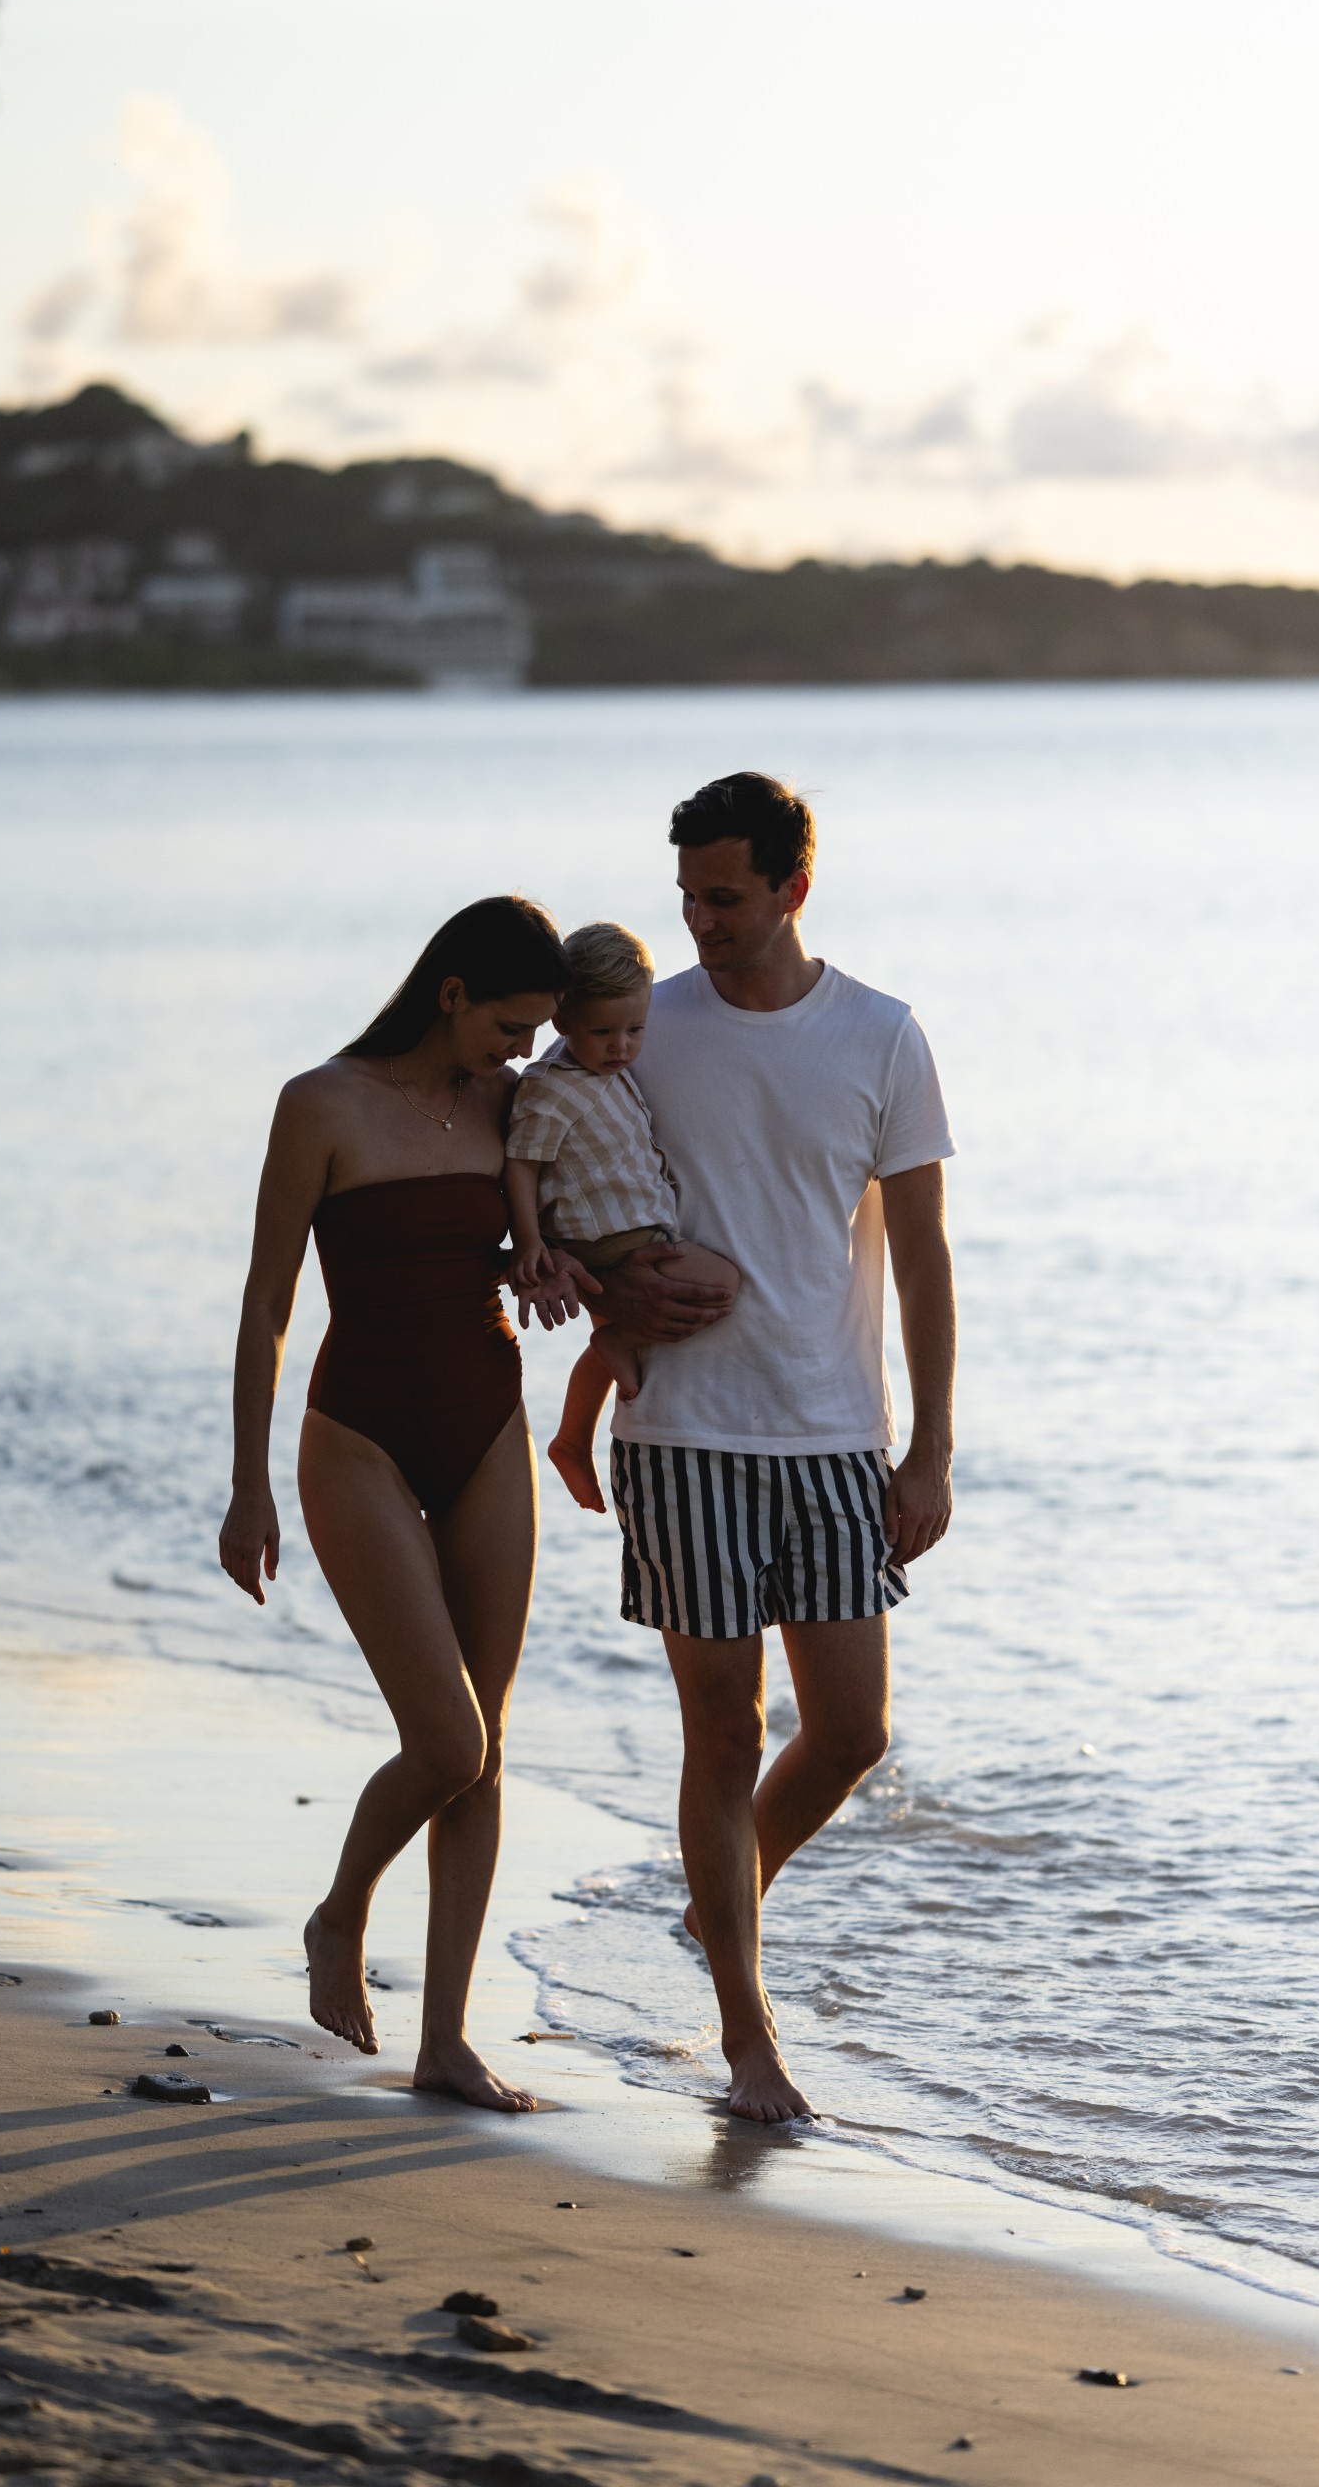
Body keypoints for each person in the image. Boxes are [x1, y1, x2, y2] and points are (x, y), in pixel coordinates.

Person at [565, 771, 957, 2126]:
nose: (701, 921)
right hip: (683, 1429)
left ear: (794, 887)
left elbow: (925, 1258)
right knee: (722, 1736)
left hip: (835, 1431)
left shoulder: (882, 1036)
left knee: (850, 1731)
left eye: (725, 897)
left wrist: (931, 1451)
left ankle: (715, 1902)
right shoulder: (645, 1032)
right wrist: (610, 1301)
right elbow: (555, 1181)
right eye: (687, 897)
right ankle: (748, 2033)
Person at [217, 893, 572, 2113]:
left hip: (487, 1428)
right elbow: (268, 1303)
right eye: (511, 1026)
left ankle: (448, 2043)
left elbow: (571, 1224)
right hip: (358, 1439)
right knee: (448, 1742)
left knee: (488, 1751)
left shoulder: (516, 1107)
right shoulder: (320, 1104)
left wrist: (564, 1267)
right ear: (452, 993)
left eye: (540, 1033)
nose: (523, 1051)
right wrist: (248, 1485)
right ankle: (342, 1911)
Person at [503, 918, 740, 1514]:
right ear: (562, 1020)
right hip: (607, 1237)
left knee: (618, 1353)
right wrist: (530, 1242)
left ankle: (572, 1439)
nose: (621, 1047)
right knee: (722, 1282)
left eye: (635, 1029)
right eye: (602, 1032)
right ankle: (610, 1352)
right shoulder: (550, 1087)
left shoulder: (608, 1073)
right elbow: (521, 1165)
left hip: (634, 1230)